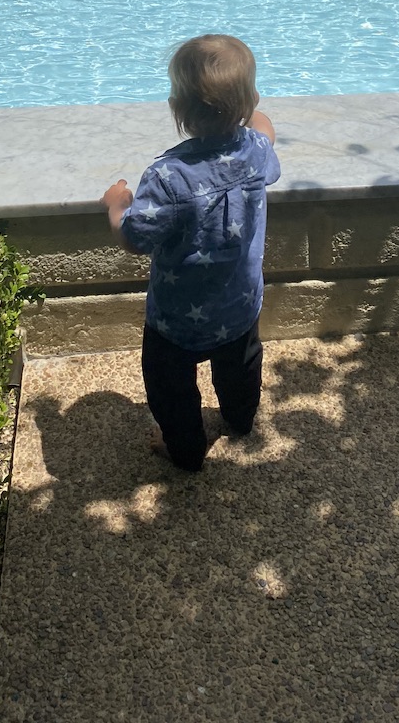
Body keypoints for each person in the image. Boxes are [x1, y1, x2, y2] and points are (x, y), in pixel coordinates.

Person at [100, 34, 280, 472]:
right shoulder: (255, 153)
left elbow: (135, 239)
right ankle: (239, 421)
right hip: (238, 307)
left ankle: (184, 451)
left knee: (171, 388)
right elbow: (266, 128)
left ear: (177, 109)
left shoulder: (166, 177)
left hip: (177, 320)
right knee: (241, 369)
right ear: (250, 100)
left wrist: (115, 208)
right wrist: (246, 105)